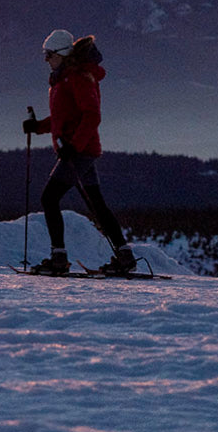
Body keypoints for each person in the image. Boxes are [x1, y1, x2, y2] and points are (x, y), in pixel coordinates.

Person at [21, 30, 141, 275]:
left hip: (79, 152)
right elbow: (65, 116)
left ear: (62, 54)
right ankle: (125, 256)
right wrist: (39, 127)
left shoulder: (77, 78)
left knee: (49, 198)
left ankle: (58, 258)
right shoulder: (64, 78)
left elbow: (92, 115)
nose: (46, 59)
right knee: (97, 204)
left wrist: (74, 146)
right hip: (80, 150)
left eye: (49, 54)